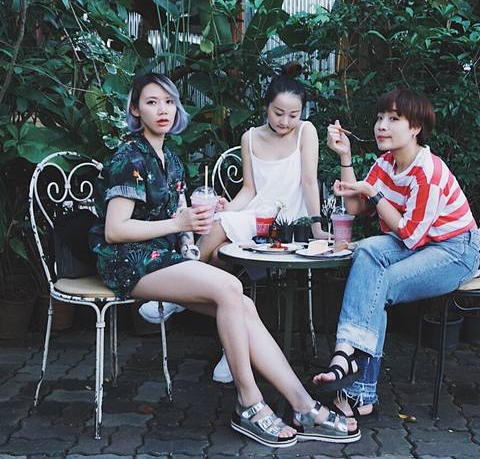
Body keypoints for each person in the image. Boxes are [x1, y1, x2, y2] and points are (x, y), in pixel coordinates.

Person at [89, 72, 359, 448]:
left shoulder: (171, 159)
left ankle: (303, 406)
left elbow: (178, 222)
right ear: (135, 110)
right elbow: (115, 230)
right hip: (128, 262)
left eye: (168, 102)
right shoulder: (129, 156)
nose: (162, 110)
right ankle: (249, 402)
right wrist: (180, 223)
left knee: (242, 304)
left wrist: (200, 219)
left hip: (162, 257)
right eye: (151, 102)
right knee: (231, 287)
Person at [139, 63, 328, 383]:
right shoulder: (249, 137)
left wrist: (317, 226)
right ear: (266, 107)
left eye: (293, 115)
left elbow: (310, 182)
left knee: (220, 227)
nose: (285, 121)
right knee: (217, 254)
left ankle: (174, 294)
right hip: (255, 216)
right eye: (278, 113)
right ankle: (234, 348)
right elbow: (250, 190)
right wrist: (228, 208)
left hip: (285, 221)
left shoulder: (305, 132)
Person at [312, 88, 479, 421]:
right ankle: (345, 355)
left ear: (415, 128)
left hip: (454, 251)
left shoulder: (427, 172)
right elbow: (355, 207)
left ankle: (357, 386)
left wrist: (374, 193)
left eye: (393, 119)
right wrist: (346, 157)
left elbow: (409, 235)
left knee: (379, 283)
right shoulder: (386, 163)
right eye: (379, 118)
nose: (381, 126)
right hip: (417, 242)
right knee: (367, 250)